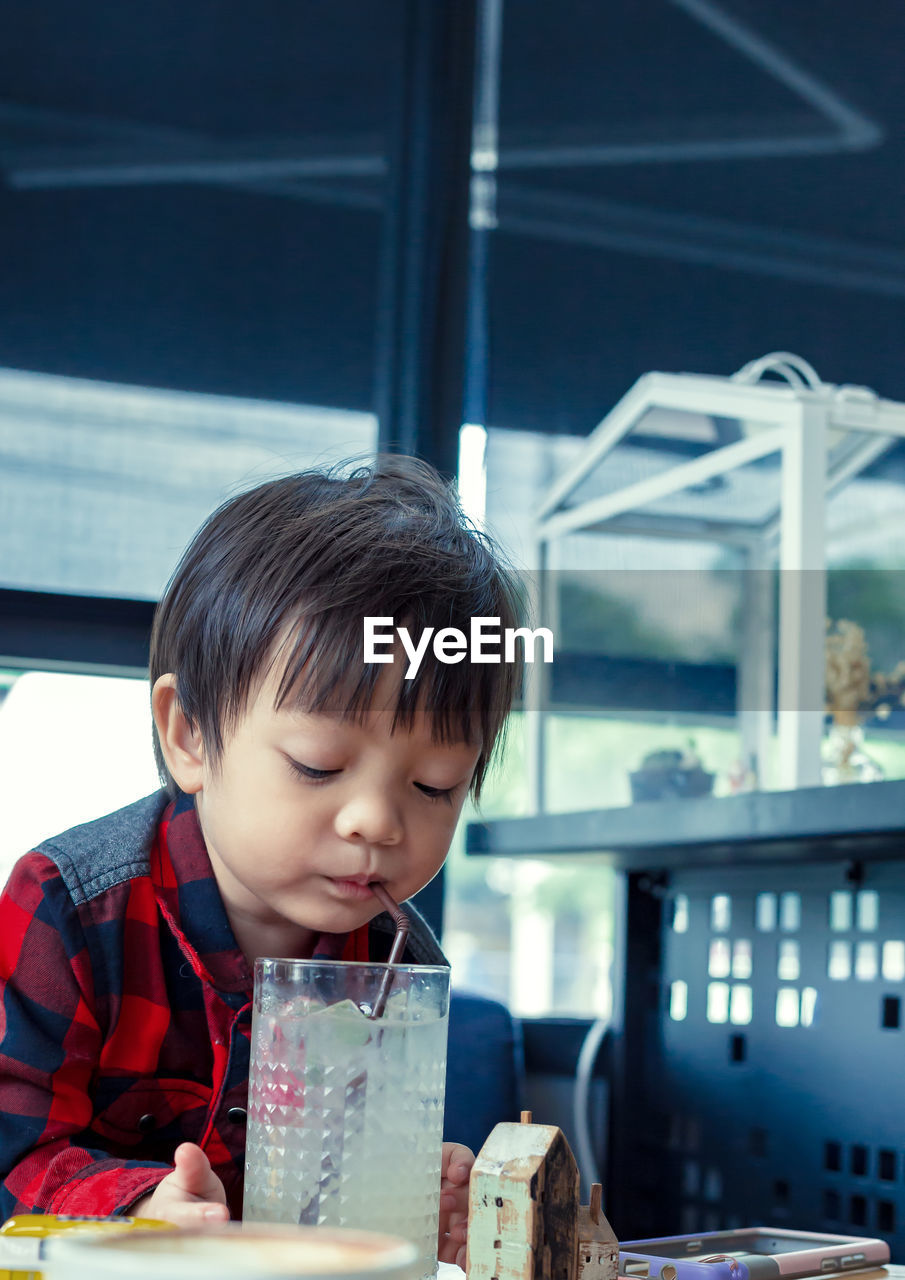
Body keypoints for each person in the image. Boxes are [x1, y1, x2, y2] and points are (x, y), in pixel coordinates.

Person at [0, 456, 523, 1266]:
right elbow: (7, 1163)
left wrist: (429, 1202)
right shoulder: (69, 910)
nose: (377, 821)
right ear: (191, 735)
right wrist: (140, 1212)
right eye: (318, 765)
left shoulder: (400, 965)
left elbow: (344, 1209)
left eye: (434, 784)